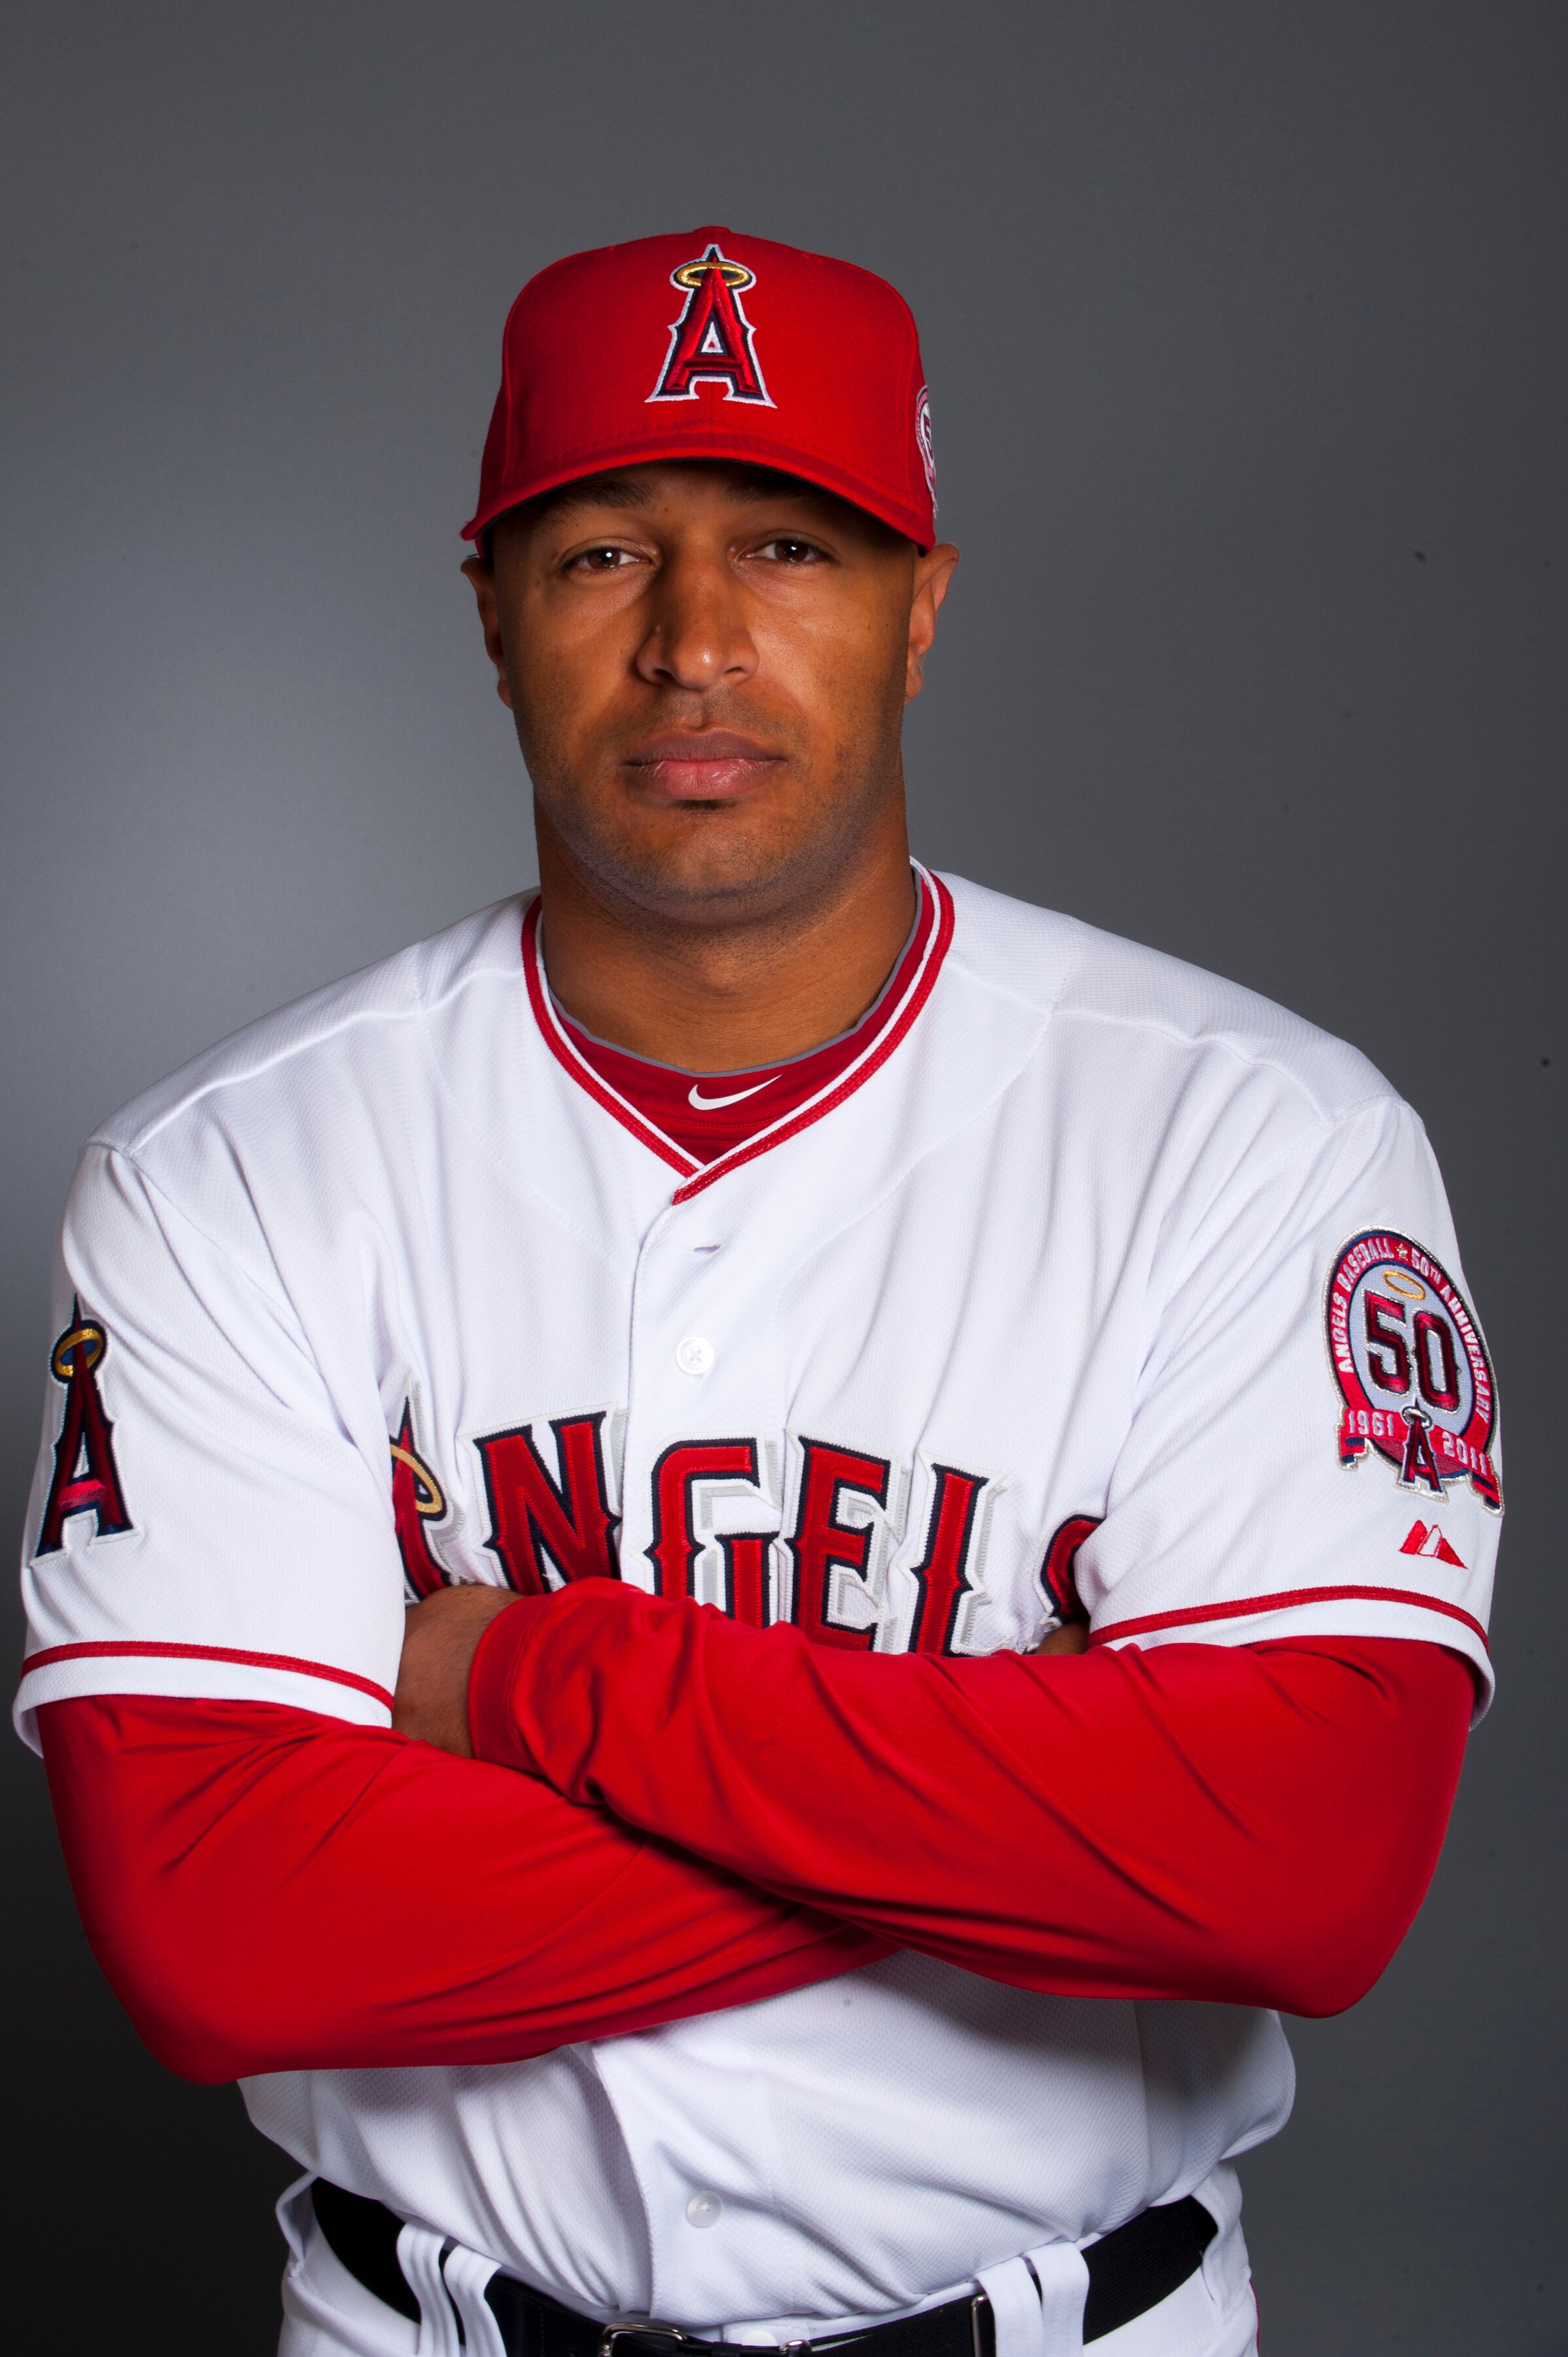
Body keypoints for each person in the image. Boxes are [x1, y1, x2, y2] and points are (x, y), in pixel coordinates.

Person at [16, 227, 1501, 2357]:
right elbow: (223, 1935)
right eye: (604, 552)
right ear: (492, 620)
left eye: (791, 546)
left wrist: (531, 1686)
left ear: (919, 610)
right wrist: (1049, 1814)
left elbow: (1295, 1869)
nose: (696, 643)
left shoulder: (1254, 1136)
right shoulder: (224, 1168)